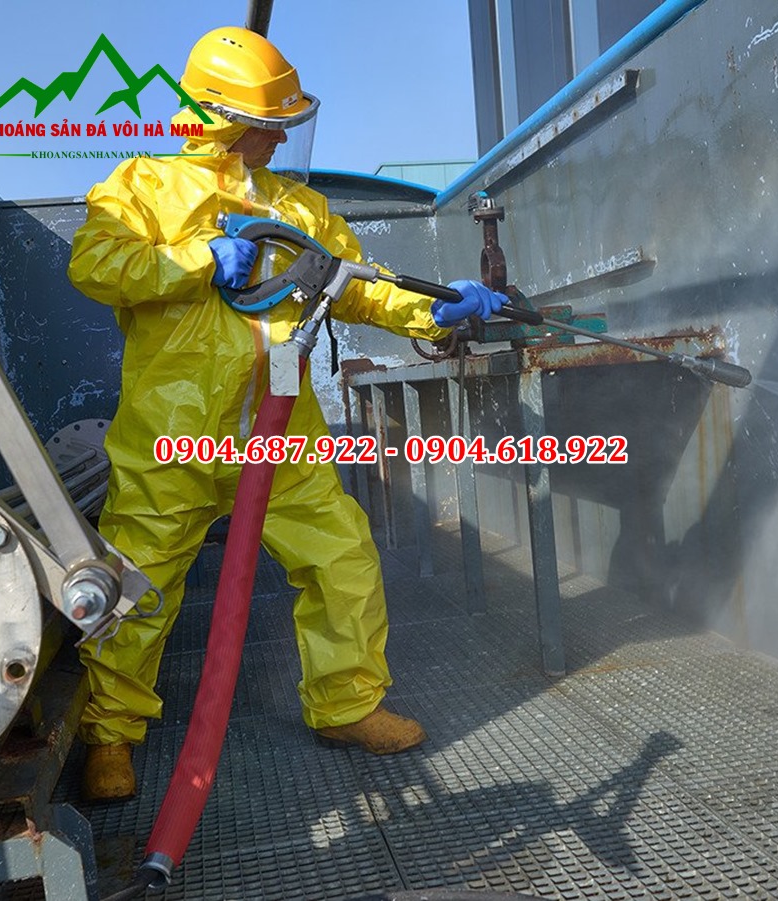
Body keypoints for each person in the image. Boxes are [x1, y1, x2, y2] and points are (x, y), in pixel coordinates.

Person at [67, 26, 507, 802]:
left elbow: (359, 284)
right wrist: (197, 260)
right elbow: (94, 265)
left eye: (284, 125)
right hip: (172, 434)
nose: (278, 138)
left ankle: (348, 704)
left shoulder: (299, 207)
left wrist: (436, 311)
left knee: (341, 557)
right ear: (219, 119)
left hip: (281, 432)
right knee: (140, 584)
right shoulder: (141, 188)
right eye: (268, 124)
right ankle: (110, 733)